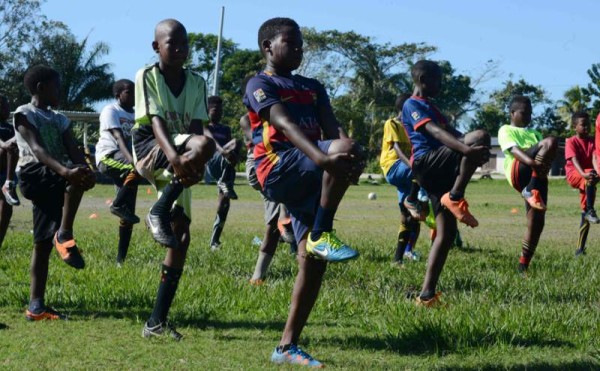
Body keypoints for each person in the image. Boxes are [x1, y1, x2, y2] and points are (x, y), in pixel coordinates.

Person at [244, 17, 365, 367]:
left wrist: (349, 157)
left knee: (312, 265)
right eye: (290, 43)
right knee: (340, 151)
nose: (298, 49)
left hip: (310, 171)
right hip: (277, 168)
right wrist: (326, 157)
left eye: (300, 44)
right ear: (268, 47)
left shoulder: (313, 86)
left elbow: (332, 128)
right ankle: (322, 232)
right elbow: (284, 123)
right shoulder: (259, 83)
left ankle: (286, 347)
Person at [132, 19, 215, 340]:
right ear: (157, 47)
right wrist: (182, 158)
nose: (180, 50)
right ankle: (157, 211)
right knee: (206, 144)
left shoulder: (196, 81)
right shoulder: (147, 75)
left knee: (181, 237)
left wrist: (193, 164)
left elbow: (196, 126)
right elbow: (155, 121)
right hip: (150, 148)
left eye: (184, 44)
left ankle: (156, 322)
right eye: (172, 44)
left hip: (180, 151)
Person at [402, 60, 490, 307]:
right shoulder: (412, 104)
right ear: (422, 80)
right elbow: (435, 133)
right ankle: (455, 196)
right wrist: (467, 150)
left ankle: (426, 295)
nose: (440, 85)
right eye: (437, 80)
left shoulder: (433, 106)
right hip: (426, 164)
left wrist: (473, 152)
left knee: (447, 232)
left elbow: (455, 133)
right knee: (481, 135)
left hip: (439, 170)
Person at [14, 65, 96, 320]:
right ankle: (65, 233)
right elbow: (37, 150)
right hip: (33, 174)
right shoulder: (23, 114)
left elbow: (73, 152)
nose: (60, 91)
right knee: (73, 176)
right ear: (41, 88)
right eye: (56, 86)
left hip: (56, 177)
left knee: (41, 243)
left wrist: (86, 170)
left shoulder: (60, 119)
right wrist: (67, 171)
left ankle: (35, 307)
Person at [498, 95, 558, 274]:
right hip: (519, 170)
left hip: (537, 176)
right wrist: (533, 164)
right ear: (512, 113)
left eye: (530, 114)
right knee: (551, 141)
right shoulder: (506, 129)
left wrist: (541, 169)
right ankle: (529, 190)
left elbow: (546, 157)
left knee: (537, 222)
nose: (528, 117)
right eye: (524, 113)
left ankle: (523, 266)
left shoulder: (535, 133)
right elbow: (514, 151)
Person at [241, 111, 296, 285]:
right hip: (260, 166)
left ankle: (257, 277)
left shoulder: (281, 114)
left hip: (277, 164)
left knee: (271, 228)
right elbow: (260, 141)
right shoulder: (247, 119)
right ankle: (285, 218)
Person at [95, 79, 141, 265]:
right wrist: (133, 162)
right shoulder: (111, 111)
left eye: (135, 92)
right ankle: (116, 204)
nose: (133, 95)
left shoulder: (138, 115)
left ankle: (120, 260)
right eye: (129, 92)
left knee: (128, 214)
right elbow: (118, 137)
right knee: (137, 169)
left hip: (131, 164)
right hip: (109, 156)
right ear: (118, 95)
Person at [379, 93, 428, 266]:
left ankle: (400, 256)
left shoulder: (413, 126)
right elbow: (398, 150)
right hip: (393, 167)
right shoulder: (392, 123)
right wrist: (414, 167)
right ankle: (419, 198)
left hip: (408, 172)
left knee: (408, 217)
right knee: (423, 172)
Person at [204, 95, 241, 250]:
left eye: (220, 110)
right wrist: (223, 152)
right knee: (230, 148)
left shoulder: (226, 129)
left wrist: (234, 158)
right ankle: (224, 181)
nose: (218, 113)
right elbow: (211, 141)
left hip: (225, 167)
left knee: (224, 204)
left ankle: (214, 240)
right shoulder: (204, 126)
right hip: (212, 162)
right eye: (214, 110)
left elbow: (231, 147)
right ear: (207, 111)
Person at [564, 111, 599, 256]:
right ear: (574, 127)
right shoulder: (571, 141)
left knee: (584, 213)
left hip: (588, 177)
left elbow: (594, 158)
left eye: (588, 124)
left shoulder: (592, 141)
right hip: (574, 174)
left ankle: (580, 250)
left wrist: (597, 172)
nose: (586, 127)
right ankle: (591, 210)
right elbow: (574, 161)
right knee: (589, 176)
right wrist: (585, 174)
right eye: (583, 125)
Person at [0, 95, 19, 247]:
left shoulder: (11, 127)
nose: (7, 109)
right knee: (8, 148)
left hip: (6, 170)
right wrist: (4, 145)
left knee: (6, 210)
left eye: (7, 106)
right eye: (3, 106)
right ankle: (8, 183)